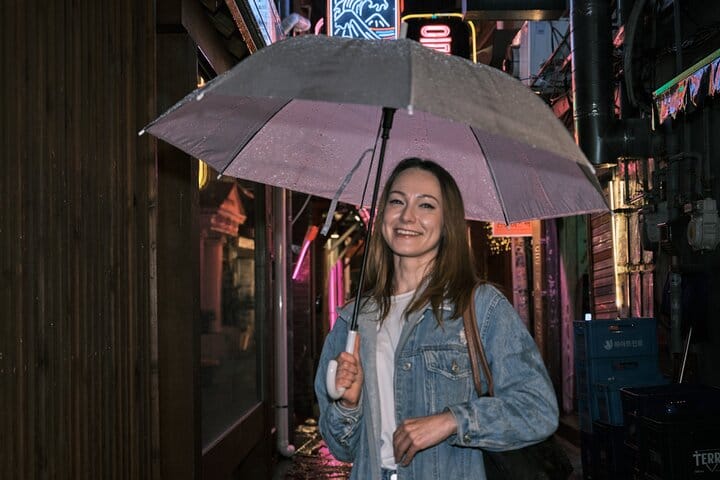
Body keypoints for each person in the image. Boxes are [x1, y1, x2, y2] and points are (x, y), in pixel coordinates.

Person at [314, 157, 558, 480]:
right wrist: (348, 404)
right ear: (382, 214)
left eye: (426, 205)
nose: (407, 216)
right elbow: (340, 448)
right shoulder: (353, 320)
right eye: (397, 201)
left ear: (447, 224)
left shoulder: (480, 307)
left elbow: (538, 408)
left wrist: (453, 420)